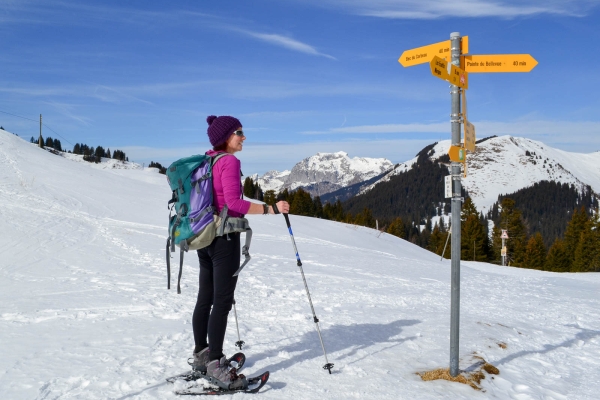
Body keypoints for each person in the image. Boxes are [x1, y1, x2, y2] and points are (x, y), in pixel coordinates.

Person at [190, 115, 289, 388]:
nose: (244, 137)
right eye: (239, 132)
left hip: (205, 237)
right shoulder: (229, 161)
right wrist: (270, 208)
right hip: (225, 239)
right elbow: (235, 202)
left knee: (205, 299)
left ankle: (201, 354)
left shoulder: (207, 160)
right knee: (222, 302)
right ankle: (216, 365)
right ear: (226, 137)